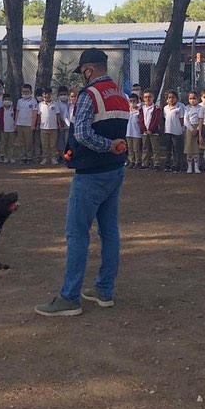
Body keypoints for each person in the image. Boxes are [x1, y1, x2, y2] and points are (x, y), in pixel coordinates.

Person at [35, 48, 128, 316]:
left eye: (83, 72)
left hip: (91, 174)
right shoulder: (119, 95)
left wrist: (107, 145)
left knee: (77, 234)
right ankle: (104, 290)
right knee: (109, 231)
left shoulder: (90, 95)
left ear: (88, 70)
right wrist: (113, 146)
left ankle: (70, 296)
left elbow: (84, 133)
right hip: (115, 170)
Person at [161, 90, 185, 173]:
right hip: (168, 131)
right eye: (169, 97)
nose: (171, 99)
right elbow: (165, 119)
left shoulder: (180, 107)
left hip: (177, 132)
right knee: (168, 149)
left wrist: (181, 129)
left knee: (176, 150)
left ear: (176, 98)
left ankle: (176, 165)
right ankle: (167, 165)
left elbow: (182, 120)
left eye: (173, 97)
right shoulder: (165, 108)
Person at [138, 89, 162, 170]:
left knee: (155, 148)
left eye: (149, 97)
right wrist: (144, 129)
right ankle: (145, 163)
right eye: (145, 97)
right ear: (143, 98)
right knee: (145, 147)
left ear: (153, 97)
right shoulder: (141, 108)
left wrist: (151, 129)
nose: (147, 99)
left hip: (154, 131)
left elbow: (156, 120)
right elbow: (141, 119)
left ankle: (156, 163)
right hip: (144, 132)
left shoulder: (156, 108)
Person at [38, 87, 62, 165]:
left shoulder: (55, 104)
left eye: (48, 94)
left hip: (53, 128)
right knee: (44, 145)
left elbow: (58, 115)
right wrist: (38, 125)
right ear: (42, 95)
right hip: (43, 128)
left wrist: (59, 124)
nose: (46, 95)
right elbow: (39, 116)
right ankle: (45, 158)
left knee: (53, 144)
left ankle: (53, 158)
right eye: (45, 94)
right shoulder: (40, 104)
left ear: (50, 94)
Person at [14, 84, 38, 164]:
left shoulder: (33, 101)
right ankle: (23, 156)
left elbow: (34, 113)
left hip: (29, 125)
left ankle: (29, 157)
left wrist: (33, 125)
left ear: (31, 92)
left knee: (29, 142)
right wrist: (15, 123)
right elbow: (17, 112)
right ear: (21, 92)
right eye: (24, 91)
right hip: (20, 124)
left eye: (27, 91)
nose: (25, 93)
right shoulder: (19, 101)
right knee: (21, 142)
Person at [183, 90, 202, 174]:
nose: (192, 100)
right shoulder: (186, 108)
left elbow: (201, 119)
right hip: (189, 129)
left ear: (198, 99)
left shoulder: (200, 108)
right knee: (189, 148)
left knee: (196, 148)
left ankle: (196, 167)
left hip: (198, 128)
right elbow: (185, 120)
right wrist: (191, 129)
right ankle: (189, 167)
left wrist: (197, 129)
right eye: (190, 98)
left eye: (194, 98)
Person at [0, 92, 16, 163]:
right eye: (5, 99)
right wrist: (1, 128)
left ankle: (11, 157)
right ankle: (5, 157)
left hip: (12, 130)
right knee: (4, 144)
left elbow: (15, 118)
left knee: (11, 144)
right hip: (3, 130)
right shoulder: (0, 110)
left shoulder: (13, 110)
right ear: (3, 101)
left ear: (11, 100)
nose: (7, 101)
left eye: (8, 99)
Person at [125, 93, 143, 168]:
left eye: (134, 100)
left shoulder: (140, 110)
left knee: (136, 148)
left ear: (137, 101)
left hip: (136, 132)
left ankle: (138, 161)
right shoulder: (127, 109)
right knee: (130, 148)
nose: (132, 102)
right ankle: (131, 161)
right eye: (131, 100)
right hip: (128, 132)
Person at [57, 86, 71, 162]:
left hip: (69, 125)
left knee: (67, 141)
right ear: (58, 95)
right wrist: (59, 123)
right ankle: (60, 156)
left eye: (65, 94)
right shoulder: (56, 103)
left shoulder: (70, 102)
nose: (63, 96)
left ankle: (67, 156)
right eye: (61, 94)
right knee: (60, 141)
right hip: (60, 124)